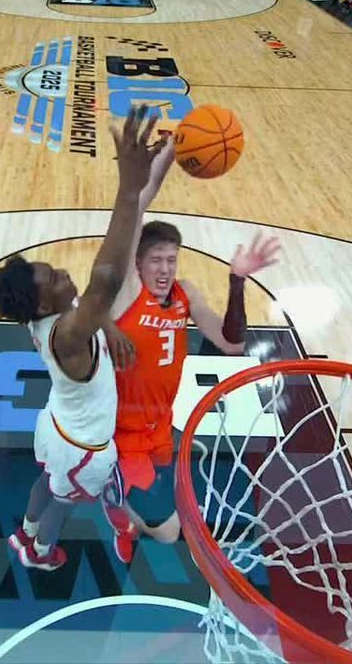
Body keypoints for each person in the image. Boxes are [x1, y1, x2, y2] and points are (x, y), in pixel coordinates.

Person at [0, 106, 166, 571]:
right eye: (54, 279)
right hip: (85, 447)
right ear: (44, 305)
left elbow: (88, 304)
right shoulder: (67, 334)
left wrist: (105, 325)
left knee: (45, 483)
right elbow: (103, 283)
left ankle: (24, 534)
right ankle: (41, 553)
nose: (64, 272)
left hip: (56, 428)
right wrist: (129, 191)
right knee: (62, 502)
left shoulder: (39, 318)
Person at [101, 221, 280, 561]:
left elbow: (231, 342)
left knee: (172, 504)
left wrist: (237, 281)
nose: (165, 269)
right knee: (169, 534)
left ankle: (125, 509)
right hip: (122, 434)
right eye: (156, 260)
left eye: (171, 259)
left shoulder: (185, 293)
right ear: (138, 264)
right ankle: (111, 496)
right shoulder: (127, 295)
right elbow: (128, 219)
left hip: (161, 427)